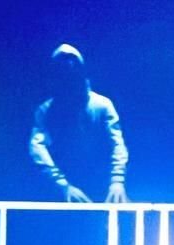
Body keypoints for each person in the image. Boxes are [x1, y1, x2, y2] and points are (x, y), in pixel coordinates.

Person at [29, 44, 129, 203]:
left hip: (101, 186)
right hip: (62, 190)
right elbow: (37, 148)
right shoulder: (46, 110)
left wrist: (117, 181)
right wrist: (62, 185)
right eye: (63, 72)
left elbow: (117, 144)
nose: (69, 74)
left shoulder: (102, 105)